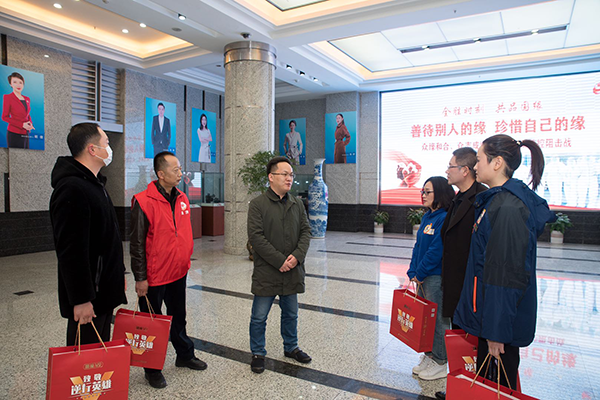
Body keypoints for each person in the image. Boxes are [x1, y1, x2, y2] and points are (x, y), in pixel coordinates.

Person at [454, 134, 555, 390]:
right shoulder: (497, 201)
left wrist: (496, 332)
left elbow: (505, 275)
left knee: (498, 388)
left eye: (479, 160)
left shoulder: (508, 208)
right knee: (491, 387)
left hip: (498, 325)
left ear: (497, 163)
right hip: (491, 317)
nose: (475, 166)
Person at [130, 151, 207, 389]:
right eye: (176, 170)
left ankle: (184, 354)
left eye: (180, 168)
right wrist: (140, 278)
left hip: (178, 271)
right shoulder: (143, 201)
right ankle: (152, 369)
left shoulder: (182, 198)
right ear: (161, 174)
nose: (180, 173)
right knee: (153, 324)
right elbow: (137, 243)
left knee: (178, 316)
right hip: (154, 275)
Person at [49, 122, 126, 345]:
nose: (109, 149)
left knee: (99, 353)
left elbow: (107, 238)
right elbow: (71, 251)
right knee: (85, 356)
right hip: (90, 295)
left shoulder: (95, 184)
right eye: (106, 143)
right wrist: (81, 299)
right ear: (92, 149)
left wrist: (117, 273)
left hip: (103, 290)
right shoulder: (72, 188)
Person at [247, 156, 311, 374]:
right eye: (284, 174)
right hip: (267, 271)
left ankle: (291, 347)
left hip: (291, 270)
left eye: (291, 174)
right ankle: (258, 352)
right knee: (259, 316)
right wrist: (279, 261)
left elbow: (306, 232)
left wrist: (297, 256)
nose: (289, 178)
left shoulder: (297, 204)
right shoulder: (258, 205)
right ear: (271, 177)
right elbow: (256, 238)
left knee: (291, 314)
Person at [435, 148, 486, 400]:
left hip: (472, 284)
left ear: (465, 170)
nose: (447, 171)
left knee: (475, 339)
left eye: (451, 166)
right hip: (455, 282)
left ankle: (477, 389)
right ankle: (460, 386)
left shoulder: (482, 198)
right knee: (459, 334)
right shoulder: (457, 198)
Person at [408, 176, 455, 381]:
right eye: (422, 191)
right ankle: (429, 355)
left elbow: (437, 250)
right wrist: (413, 271)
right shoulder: (428, 216)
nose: (423, 195)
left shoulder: (444, 218)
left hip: (434, 276)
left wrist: (421, 272)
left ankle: (441, 361)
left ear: (440, 194)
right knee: (426, 319)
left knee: (438, 320)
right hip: (421, 277)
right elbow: (419, 246)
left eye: (428, 192)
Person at [2, 72, 34, 149]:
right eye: (15, 82)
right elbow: (4, 117)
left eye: (20, 82)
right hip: (14, 133)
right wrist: (22, 125)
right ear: (10, 84)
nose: (18, 85)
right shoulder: (8, 97)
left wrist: (30, 124)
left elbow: (27, 114)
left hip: (25, 133)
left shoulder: (27, 99)